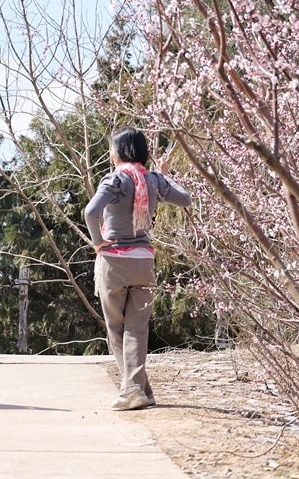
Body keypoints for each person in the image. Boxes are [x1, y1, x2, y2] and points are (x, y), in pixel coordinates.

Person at [84, 127, 191, 410]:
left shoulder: (116, 179)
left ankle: (131, 389)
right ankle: (143, 391)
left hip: (114, 261)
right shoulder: (154, 181)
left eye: (112, 148)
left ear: (121, 151)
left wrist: (98, 243)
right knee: (137, 328)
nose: (110, 153)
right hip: (144, 262)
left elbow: (90, 212)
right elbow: (186, 198)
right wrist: (164, 173)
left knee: (116, 329)